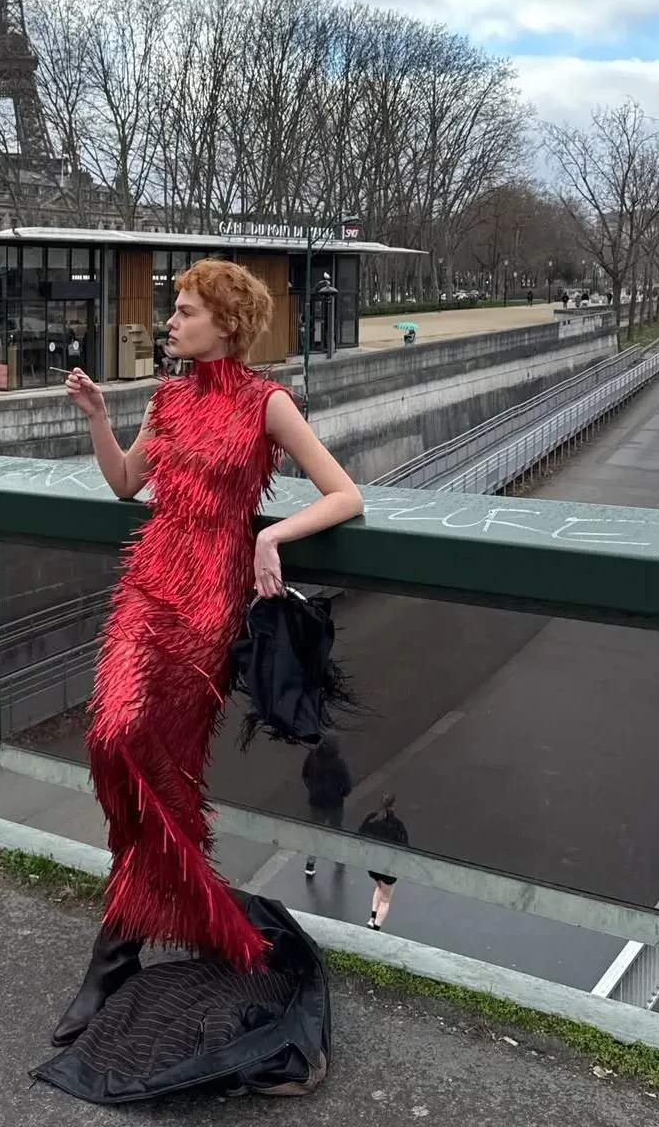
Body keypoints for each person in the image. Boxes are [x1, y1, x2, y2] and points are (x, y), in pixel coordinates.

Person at [51, 258, 364, 1047]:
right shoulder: (167, 398)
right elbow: (126, 483)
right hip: (146, 590)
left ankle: (114, 956)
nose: (172, 320)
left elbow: (345, 494)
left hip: (208, 610)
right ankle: (196, 917)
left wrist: (272, 536)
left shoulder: (267, 403)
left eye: (186, 311)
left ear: (226, 325)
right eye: (175, 308)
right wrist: (97, 416)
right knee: (111, 740)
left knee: (166, 770)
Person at [302, 735, 353, 879]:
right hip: (334, 803)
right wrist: (341, 794)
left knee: (316, 834)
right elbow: (347, 785)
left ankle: (310, 865)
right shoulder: (338, 763)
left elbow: (305, 776)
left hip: (317, 802)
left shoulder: (312, 758)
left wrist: (312, 790)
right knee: (336, 831)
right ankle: (338, 860)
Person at [359, 794, 410, 931]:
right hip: (388, 868)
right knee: (386, 899)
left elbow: (361, 836)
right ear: (394, 806)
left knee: (379, 886)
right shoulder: (397, 825)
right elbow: (404, 846)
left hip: (373, 864)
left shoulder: (371, 818)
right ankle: (376, 927)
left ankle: (372, 918)